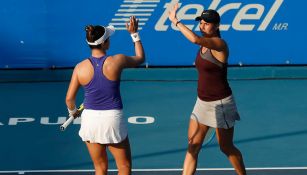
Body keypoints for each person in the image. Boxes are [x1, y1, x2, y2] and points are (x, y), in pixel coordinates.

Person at [168, 3, 246, 175]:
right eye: (201, 22)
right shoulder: (204, 43)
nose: (202, 25)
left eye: (207, 23)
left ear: (217, 26)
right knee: (193, 145)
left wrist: (176, 21)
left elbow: (195, 39)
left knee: (226, 147)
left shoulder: (219, 44)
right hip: (202, 102)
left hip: (221, 104)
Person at [65, 16, 145, 175]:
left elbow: (69, 99)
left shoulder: (79, 68)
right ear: (104, 43)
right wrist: (134, 34)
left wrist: (73, 112)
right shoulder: (118, 60)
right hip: (112, 120)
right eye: (108, 38)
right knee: (124, 167)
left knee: (100, 168)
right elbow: (140, 58)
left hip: (90, 121)